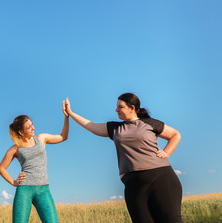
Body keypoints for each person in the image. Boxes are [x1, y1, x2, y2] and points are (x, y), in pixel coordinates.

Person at [64, 93, 182, 223]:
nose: (116, 110)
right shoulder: (115, 128)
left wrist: (167, 152)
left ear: (132, 108)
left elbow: (175, 135)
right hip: (133, 184)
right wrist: (71, 112)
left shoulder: (150, 123)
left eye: (120, 107)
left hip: (161, 178)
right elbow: (91, 126)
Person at [0, 102, 69, 223]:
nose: (33, 128)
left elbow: (63, 136)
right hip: (24, 190)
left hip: (43, 190)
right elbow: (1, 168)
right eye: (29, 127)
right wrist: (14, 182)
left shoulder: (42, 138)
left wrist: (66, 117)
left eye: (32, 124)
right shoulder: (15, 148)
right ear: (21, 132)